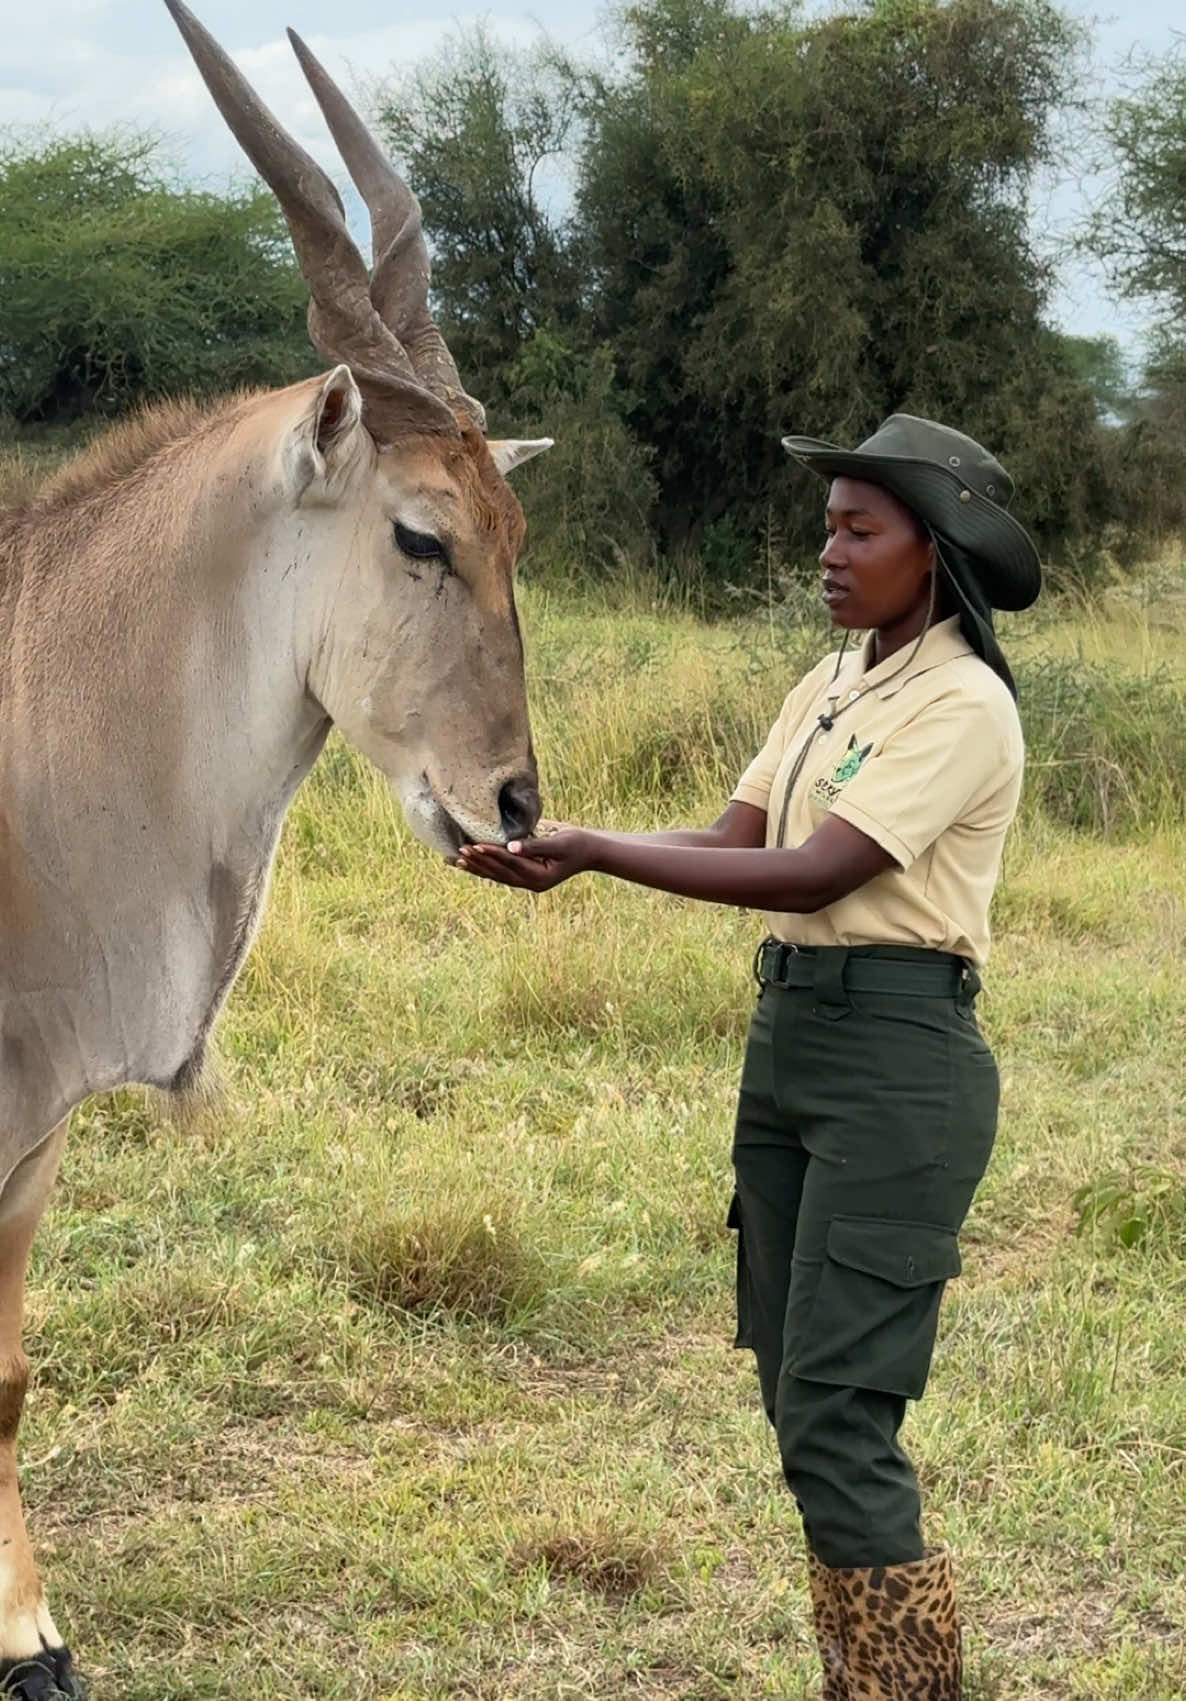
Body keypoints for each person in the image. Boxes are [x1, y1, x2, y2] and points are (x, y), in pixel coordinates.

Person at [458, 414, 1041, 1699]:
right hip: (790, 1041)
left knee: (840, 1415)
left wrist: (602, 851)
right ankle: (866, 1681)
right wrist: (572, 840)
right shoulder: (830, 686)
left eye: (857, 529)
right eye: (826, 523)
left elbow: (822, 867)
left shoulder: (963, 704)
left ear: (930, 553)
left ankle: (901, 1690)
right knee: (797, 1399)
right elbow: (737, 837)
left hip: (895, 1055)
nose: (826, 551)